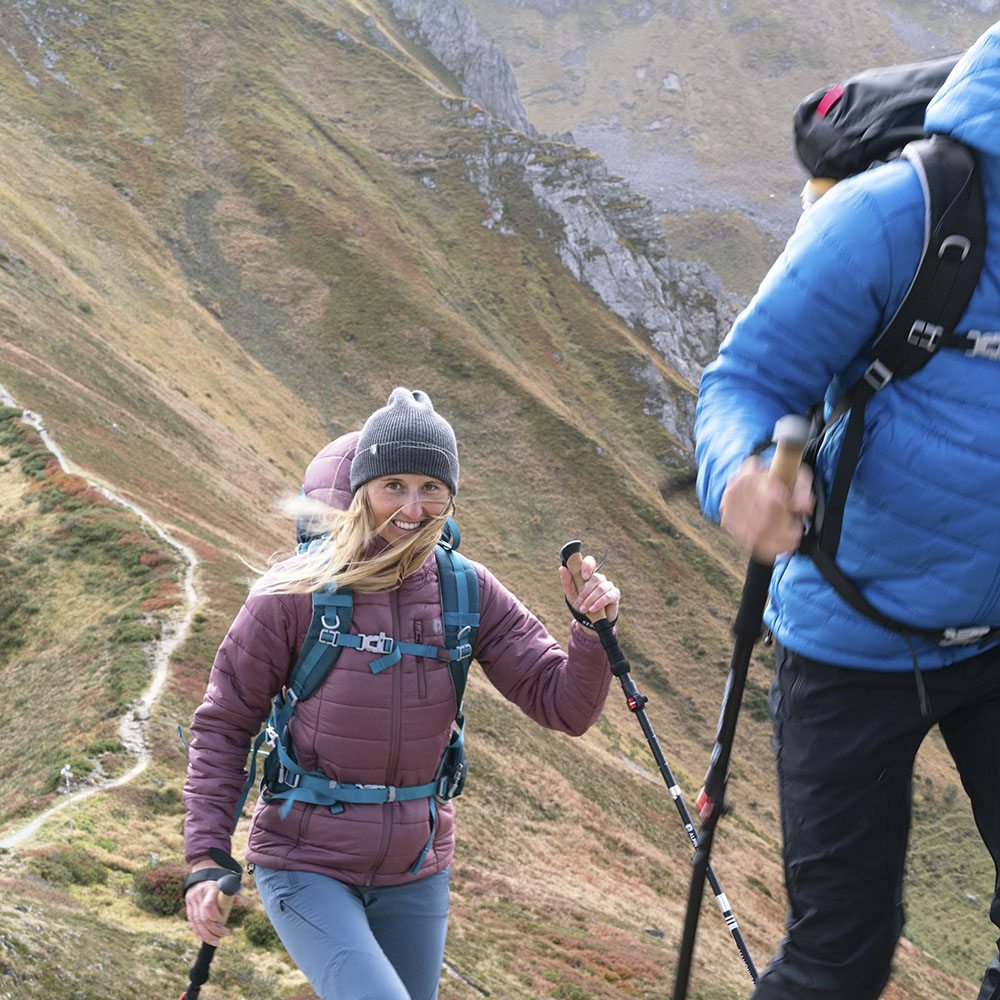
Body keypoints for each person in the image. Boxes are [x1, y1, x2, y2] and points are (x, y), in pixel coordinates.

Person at [694, 23, 1000, 1000]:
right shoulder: (897, 215)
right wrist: (741, 475)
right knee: (839, 957)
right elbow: (743, 379)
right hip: (848, 642)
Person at [181, 387, 620, 1000]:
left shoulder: (468, 590)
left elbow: (562, 705)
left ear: (450, 495)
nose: (412, 509)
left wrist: (591, 630)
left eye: (430, 488)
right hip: (304, 861)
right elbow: (225, 723)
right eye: (394, 486)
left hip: (417, 870)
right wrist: (206, 856)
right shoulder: (294, 592)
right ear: (363, 491)